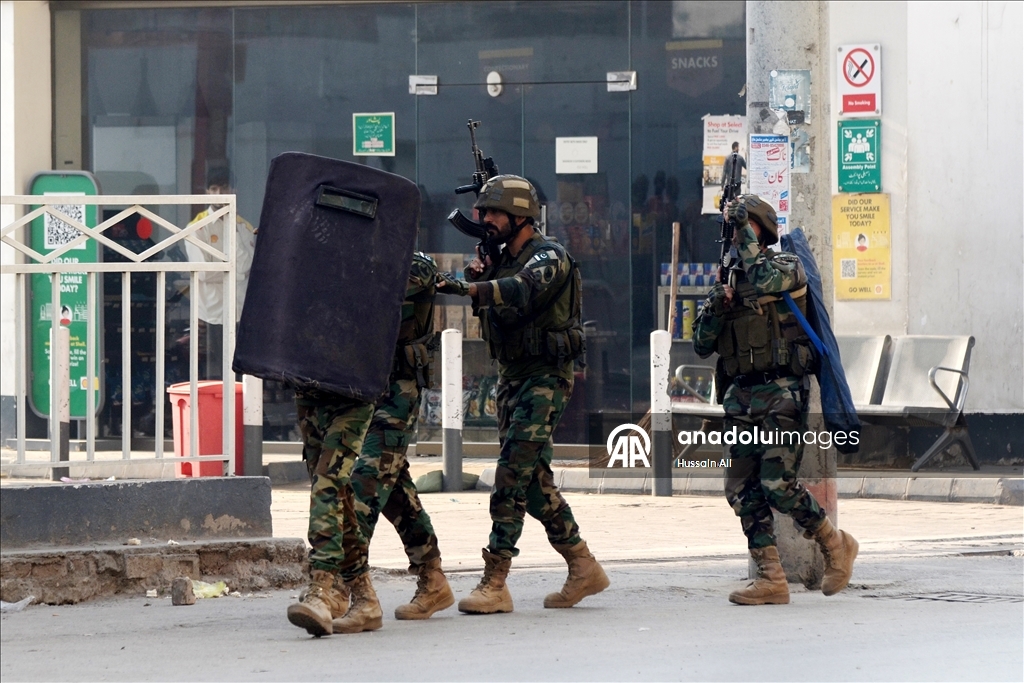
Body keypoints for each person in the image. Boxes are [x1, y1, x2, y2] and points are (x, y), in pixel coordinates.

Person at [437, 174, 608, 614]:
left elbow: (522, 291)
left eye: (493, 213)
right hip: (512, 376)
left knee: (511, 474)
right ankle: (583, 565)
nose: (484, 220)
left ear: (519, 217)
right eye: (484, 212)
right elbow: (498, 306)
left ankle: (495, 581)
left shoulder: (549, 256)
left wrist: (469, 286)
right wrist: (482, 273)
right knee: (534, 482)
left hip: (545, 377)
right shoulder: (500, 260)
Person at [692, 194, 858, 605]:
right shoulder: (729, 280)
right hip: (741, 396)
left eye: (741, 229)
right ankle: (771, 577)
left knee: (778, 485)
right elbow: (700, 344)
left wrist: (744, 231)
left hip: (781, 391)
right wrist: (715, 306)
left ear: (759, 229)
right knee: (740, 487)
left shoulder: (786, 264)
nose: (733, 238)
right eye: (732, 231)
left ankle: (835, 544)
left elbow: (767, 280)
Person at [338, 252, 454, 624]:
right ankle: (432, 578)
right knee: (395, 488)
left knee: (367, 483)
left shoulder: (414, 264)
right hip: (361, 391)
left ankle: (343, 586)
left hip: (397, 394)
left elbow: (373, 297)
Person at [183, 167, 257, 379]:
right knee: (214, 377)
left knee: (243, 376)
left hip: (240, 313)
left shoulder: (243, 227)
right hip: (211, 316)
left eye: (223, 188)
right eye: (213, 189)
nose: (218, 194)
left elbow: (245, 267)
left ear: (234, 190)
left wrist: (225, 262)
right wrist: (230, 267)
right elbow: (204, 272)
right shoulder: (196, 228)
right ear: (207, 192)